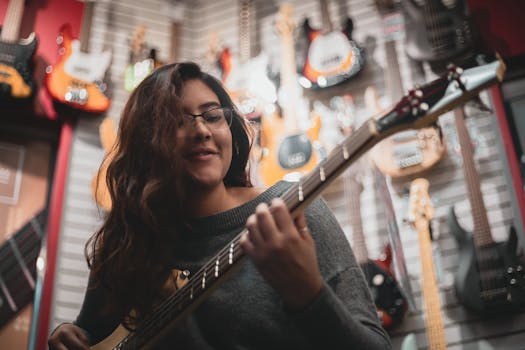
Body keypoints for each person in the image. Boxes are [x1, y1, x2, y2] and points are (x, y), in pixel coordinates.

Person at [47, 62, 392, 349]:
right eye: (177, 121)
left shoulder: (293, 211)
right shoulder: (125, 242)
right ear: (145, 143)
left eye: (212, 116)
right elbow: (89, 333)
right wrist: (68, 335)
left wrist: (308, 295)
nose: (201, 130)